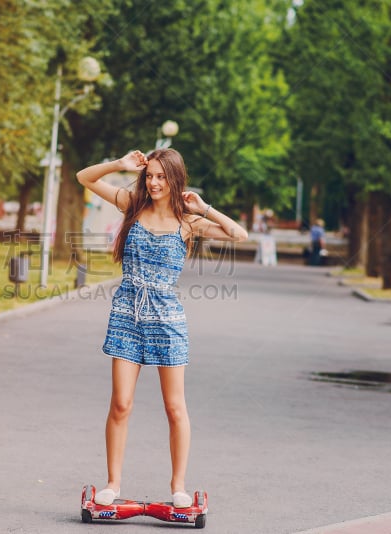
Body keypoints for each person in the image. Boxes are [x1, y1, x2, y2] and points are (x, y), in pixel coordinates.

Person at [76, 148, 247, 508]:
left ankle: (178, 487)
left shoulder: (188, 222)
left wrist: (204, 207)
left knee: (174, 408)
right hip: (127, 314)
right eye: (149, 175)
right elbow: (85, 178)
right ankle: (112, 483)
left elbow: (239, 235)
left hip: (167, 320)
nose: (153, 183)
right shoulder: (131, 204)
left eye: (160, 177)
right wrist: (120, 166)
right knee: (120, 404)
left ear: (174, 179)